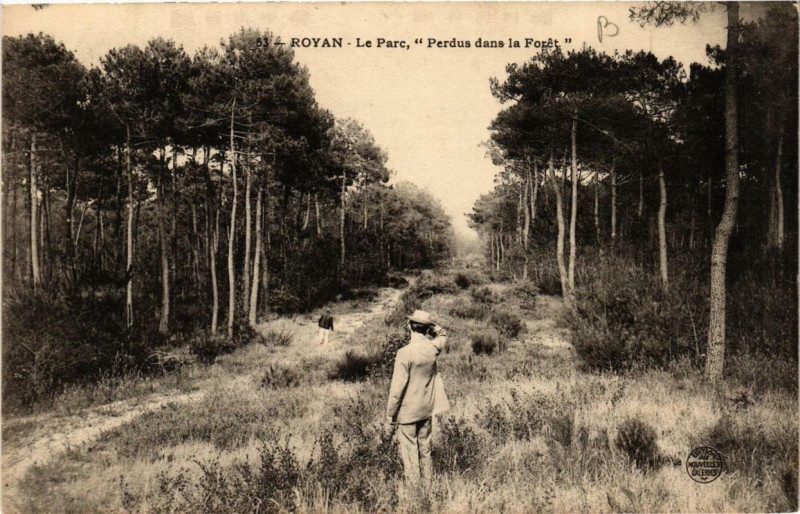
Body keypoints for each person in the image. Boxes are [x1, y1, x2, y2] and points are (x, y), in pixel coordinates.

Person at [385, 309, 450, 486]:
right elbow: (443, 333)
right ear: (426, 329)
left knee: (410, 452)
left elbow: (397, 388)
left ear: (409, 327)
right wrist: (431, 327)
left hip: (407, 412)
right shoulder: (433, 348)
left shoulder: (404, 353)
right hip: (427, 408)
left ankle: (414, 491)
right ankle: (427, 486)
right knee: (425, 449)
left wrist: (390, 414)